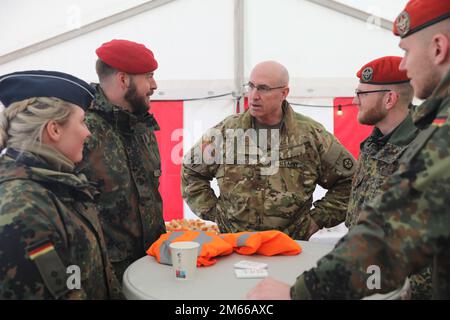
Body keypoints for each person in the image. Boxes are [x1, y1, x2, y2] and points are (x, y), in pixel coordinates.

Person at [247, 0, 450, 300]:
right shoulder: (383, 142)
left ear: (437, 48)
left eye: (406, 51)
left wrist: (300, 294)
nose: (404, 64)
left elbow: (386, 238)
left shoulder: (438, 137)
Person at [181, 60, 356, 240]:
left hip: (289, 247)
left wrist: (317, 220)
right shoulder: (226, 132)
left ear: (284, 93)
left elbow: (350, 180)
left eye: (263, 88)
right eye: (251, 86)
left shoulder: (310, 135)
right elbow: (191, 171)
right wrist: (215, 214)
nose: (254, 95)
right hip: (236, 246)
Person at [0, 70, 121, 299]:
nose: (88, 133)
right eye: (82, 122)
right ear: (54, 129)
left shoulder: (53, 187)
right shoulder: (23, 208)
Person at [77, 39, 166, 280]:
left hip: (151, 267)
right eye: (148, 76)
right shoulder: (82, 130)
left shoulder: (141, 127)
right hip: (105, 277)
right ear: (124, 80)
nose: (154, 84)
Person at [346, 56, 417, 228]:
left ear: (389, 99)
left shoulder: (424, 148)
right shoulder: (371, 146)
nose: (355, 101)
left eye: (361, 94)